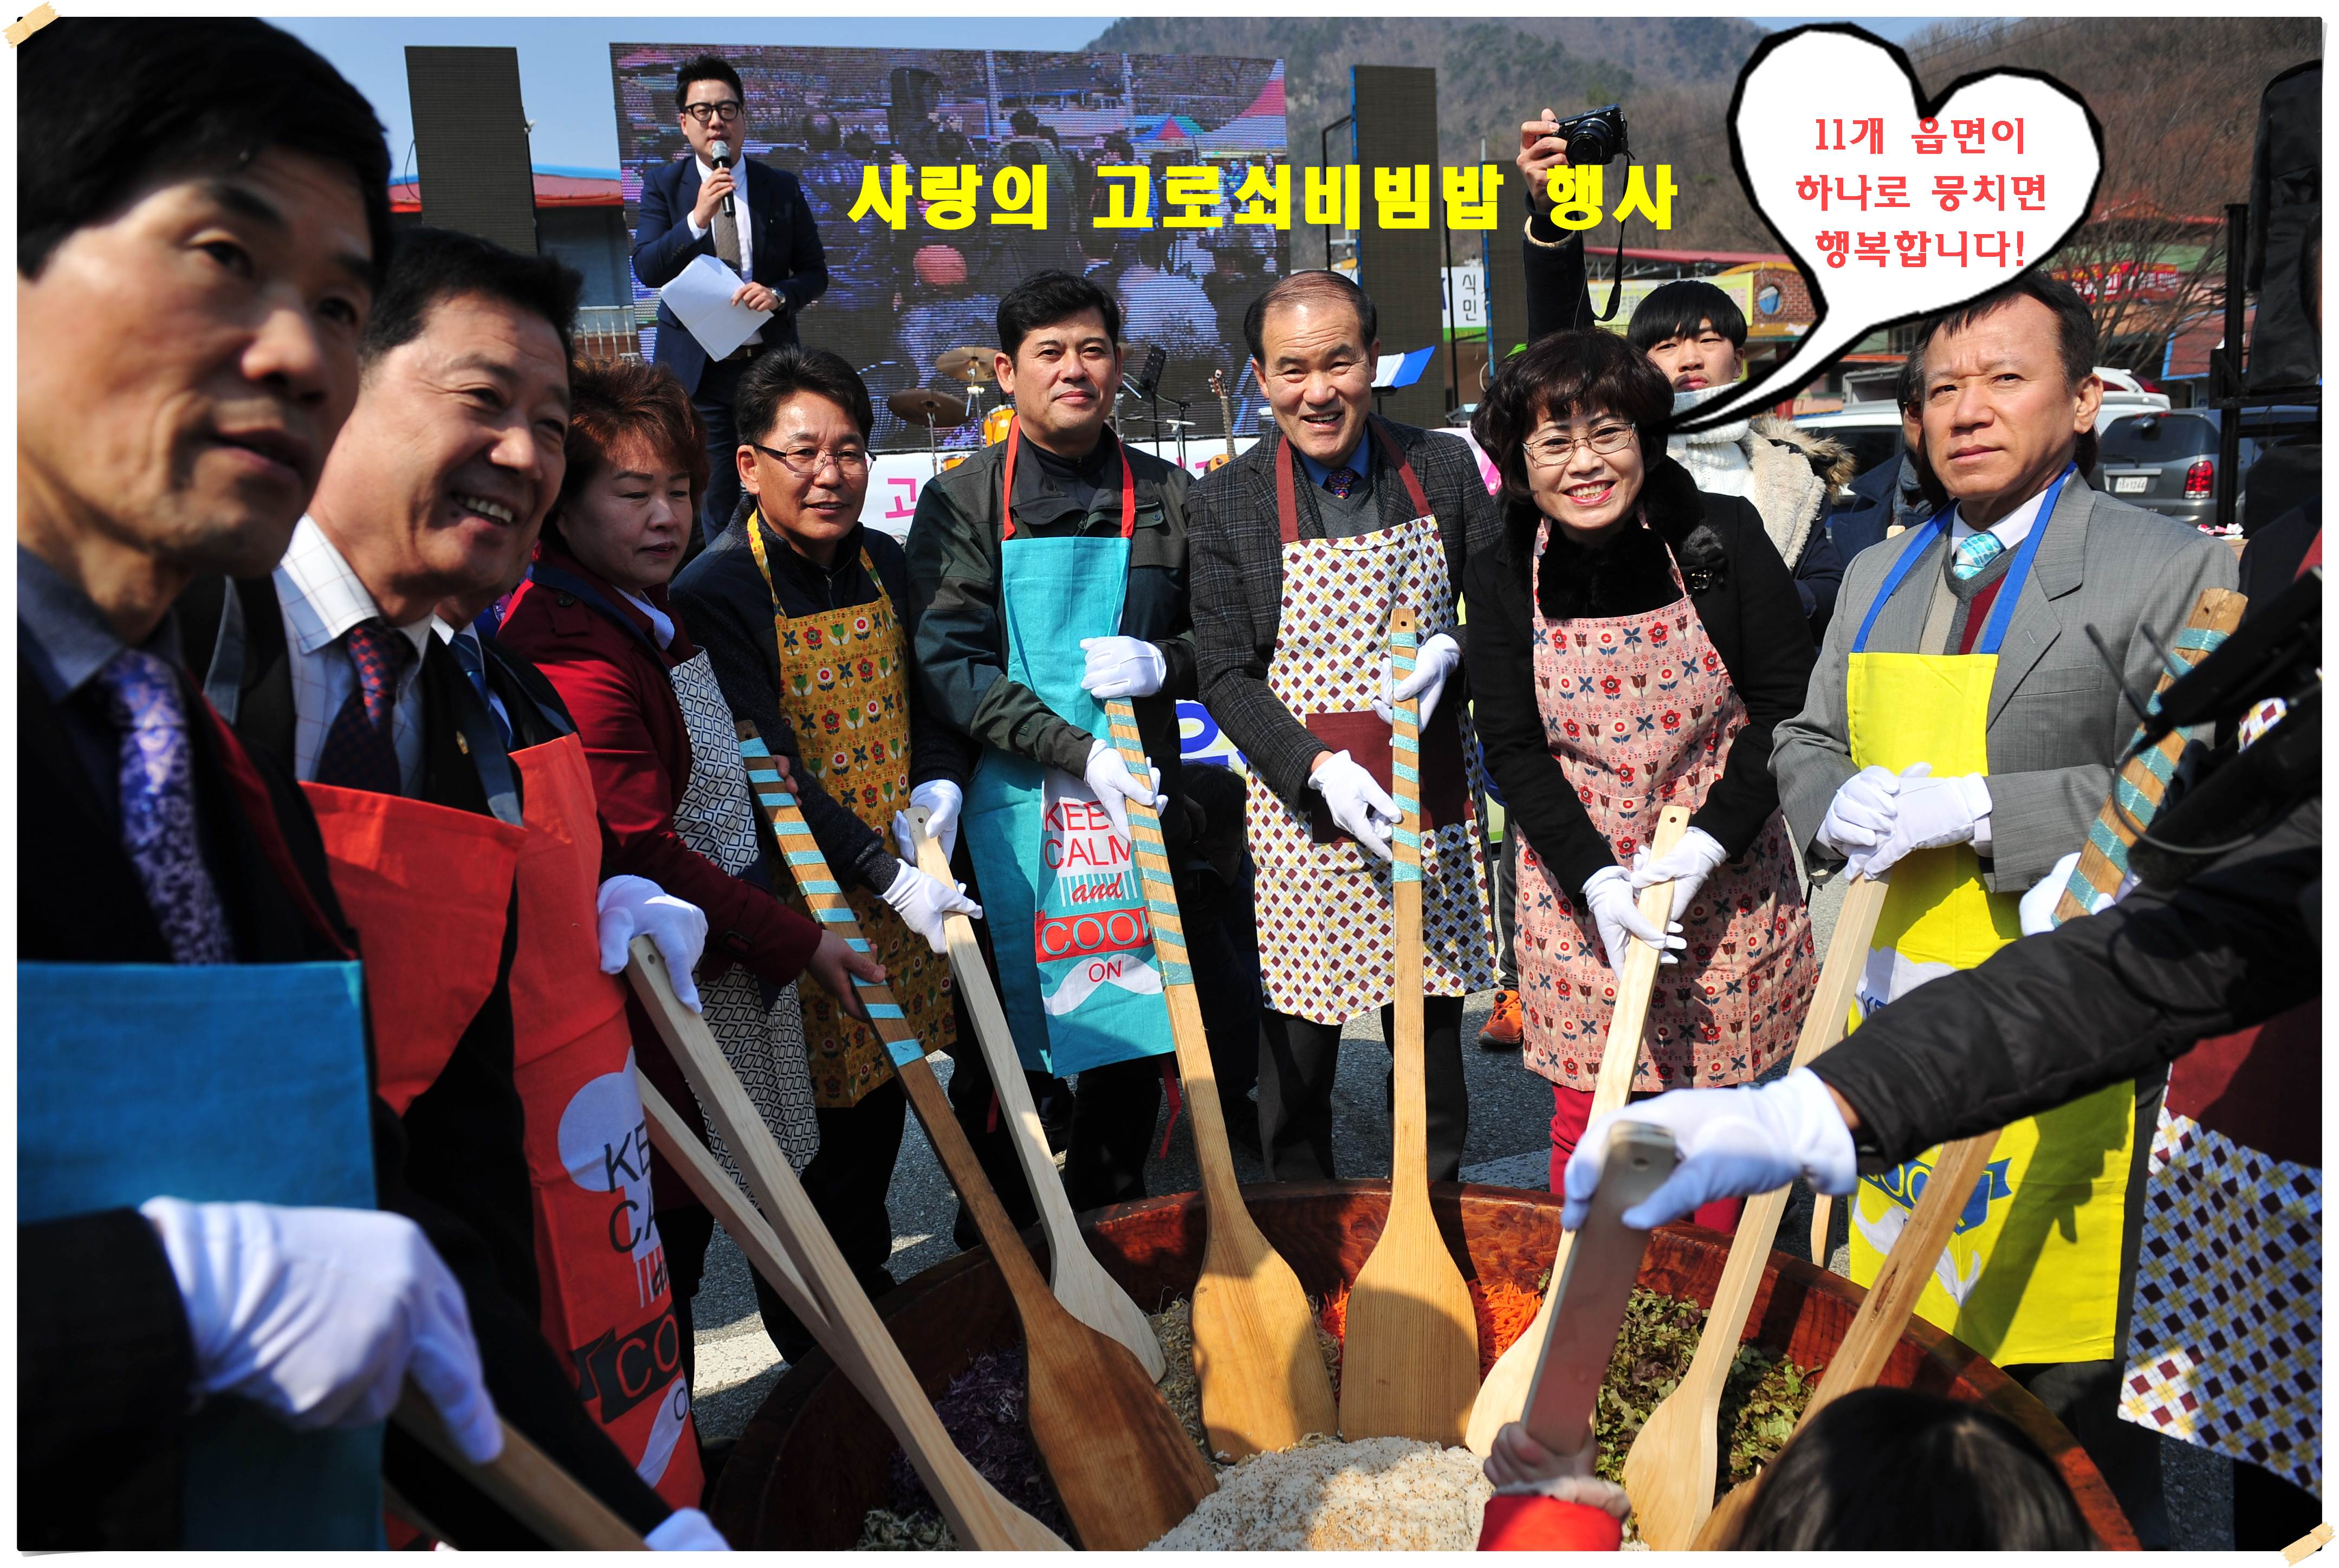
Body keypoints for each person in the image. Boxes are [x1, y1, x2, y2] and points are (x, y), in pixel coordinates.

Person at [14, 19, 516, 1549]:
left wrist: (647, 1527)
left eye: (340, 307)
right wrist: (150, 1306)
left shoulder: (186, 755)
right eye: (222, 254)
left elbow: (359, 1220)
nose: (301, 356)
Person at [178, 228, 725, 1544]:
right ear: (333, 383)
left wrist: (605, 1512)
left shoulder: (471, 697)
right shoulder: (174, 643)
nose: (528, 456)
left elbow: (460, 1126)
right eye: (484, 400)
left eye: (550, 425)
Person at [1763, 271, 2238, 1535]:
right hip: (1888, 1013)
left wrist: (1987, 809)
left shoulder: (2167, 568)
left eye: (2003, 378)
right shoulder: (1877, 570)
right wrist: (1834, 798)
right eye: (1939, 389)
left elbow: (2200, 778)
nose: (1964, 409)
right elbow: (1802, 735)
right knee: (1894, 1380)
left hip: (2068, 1032)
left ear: (2081, 401)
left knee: (2063, 1423)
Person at [495, 357, 896, 1367]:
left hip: (728, 969)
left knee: (771, 1214)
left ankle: (826, 1393)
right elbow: (637, 842)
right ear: (562, 503)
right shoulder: (572, 644)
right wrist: (798, 940)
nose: (666, 516)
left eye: (677, 489)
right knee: (670, 1246)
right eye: (632, 493)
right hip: (667, 1000)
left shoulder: (641, 610)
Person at [1465, 329, 1818, 1231]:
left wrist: (1703, 845)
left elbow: (1785, 707)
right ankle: (1592, 1303)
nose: (1584, 463)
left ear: (1645, 437)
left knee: (1715, 1124)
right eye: (1553, 441)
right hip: (1579, 891)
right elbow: (1512, 746)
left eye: (1607, 432)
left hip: (1724, 881)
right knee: (1594, 1124)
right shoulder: (1503, 568)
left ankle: (1712, 1305)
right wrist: (1596, 877)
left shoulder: (1718, 536)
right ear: (1520, 462)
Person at [671, 346, 978, 1334]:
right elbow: (767, 776)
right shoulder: (716, 590)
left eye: (848, 451)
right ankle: (828, 1355)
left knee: (886, 1113)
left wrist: (937, 782)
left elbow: (935, 699)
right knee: (818, 1167)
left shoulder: (885, 560)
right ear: (749, 464)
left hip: (902, 890)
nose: (829, 474)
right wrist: (885, 874)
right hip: (799, 912)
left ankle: (880, 1314)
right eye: (802, 453)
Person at [1189, 270, 1501, 1183]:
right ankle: (1302, 1224)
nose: (1317, 391)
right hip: (1303, 812)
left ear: (1373, 361)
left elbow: (1502, 613)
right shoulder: (1229, 500)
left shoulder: (1443, 468)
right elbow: (1224, 671)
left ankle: (1430, 1213)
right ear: (1261, 377)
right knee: (1298, 1052)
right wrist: (1316, 768)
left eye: (1339, 362)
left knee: (1428, 1038)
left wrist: (1454, 649)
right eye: (1292, 370)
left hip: (1426, 799)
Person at [905, 269, 1195, 1222]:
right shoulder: (960, 501)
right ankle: (1001, 1251)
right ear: (1005, 371)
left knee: (1127, 1042)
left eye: (1093, 350)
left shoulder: (1170, 497)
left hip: (1134, 815)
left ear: (1118, 365)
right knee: (1002, 1064)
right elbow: (949, 664)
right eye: (1050, 352)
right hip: (1008, 824)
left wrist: (1166, 660)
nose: (1075, 370)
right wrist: (1077, 750)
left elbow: (1231, 640)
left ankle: (1119, 1235)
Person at [630, 55, 830, 546]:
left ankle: (787, 572)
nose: (716, 120)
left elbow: (814, 273)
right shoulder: (664, 185)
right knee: (717, 495)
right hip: (701, 372)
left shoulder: (778, 186)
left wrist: (778, 294)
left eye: (727, 109)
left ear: (743, 117)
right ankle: (729, 582)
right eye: (702, 111)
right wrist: (696, 219)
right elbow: (648, 268)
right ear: (684, 122)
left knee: (783, 482)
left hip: (768, 364)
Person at [1627, 280, 1849, 634]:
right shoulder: (1623, 465)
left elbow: (1830, 589)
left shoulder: (1793, 475)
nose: (1690, 360)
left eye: (1708, 340)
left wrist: (1762, 599)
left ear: (1738, 362)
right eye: (1667, 345)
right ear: (1642, 367)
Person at [1825, 354, 1939, 565]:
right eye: (1917, 407)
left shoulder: (1978, 502)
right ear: (1903, 414)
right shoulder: (1871, 498)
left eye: (1940, 403)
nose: (1928, 420)